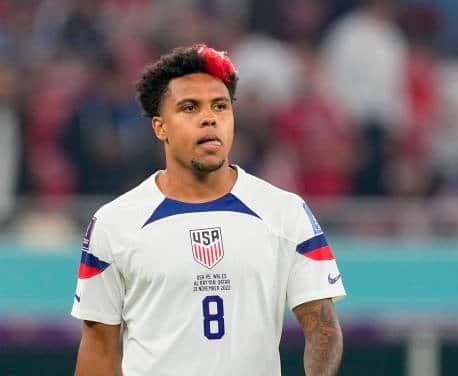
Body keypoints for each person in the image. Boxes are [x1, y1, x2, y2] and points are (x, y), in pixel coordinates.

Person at [71, 44, 346, 375]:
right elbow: (99, 347)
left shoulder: (286, 213)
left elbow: (323, 328)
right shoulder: (114, 224)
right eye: (190, 107)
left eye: (220, 106)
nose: (209, 118)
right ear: (160, 127)